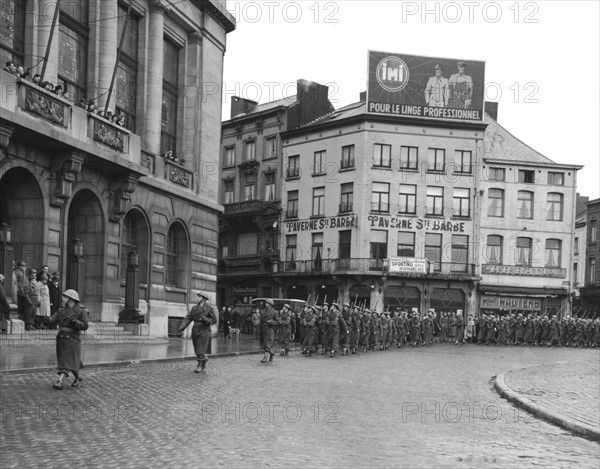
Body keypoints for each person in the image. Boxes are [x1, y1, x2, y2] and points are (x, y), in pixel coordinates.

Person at [48, 289, 88, 389]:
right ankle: (77, 378)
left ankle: (60, 381)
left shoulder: (81, 311)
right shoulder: (61, 310)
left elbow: (85, 325)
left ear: (72, 299)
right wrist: (45, 319)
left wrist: (76, 322)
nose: (63, 299)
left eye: (65, 297)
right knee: (70, 360)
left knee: (66, 361)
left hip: (73, 338)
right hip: (61, 338)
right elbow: (53, 319)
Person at [179, 292, 218, 373]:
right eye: (197, 297)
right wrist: (183, 325)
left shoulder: (209, 308)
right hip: (195, 330)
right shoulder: (194, 308)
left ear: (203, 299)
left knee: (201, 348)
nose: (197, 298)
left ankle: (199, 365)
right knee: (197, 349)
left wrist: (206, 319)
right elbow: (188, 318)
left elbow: (214, 320)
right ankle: (204, 359)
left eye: (199, 297)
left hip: (204, 330)